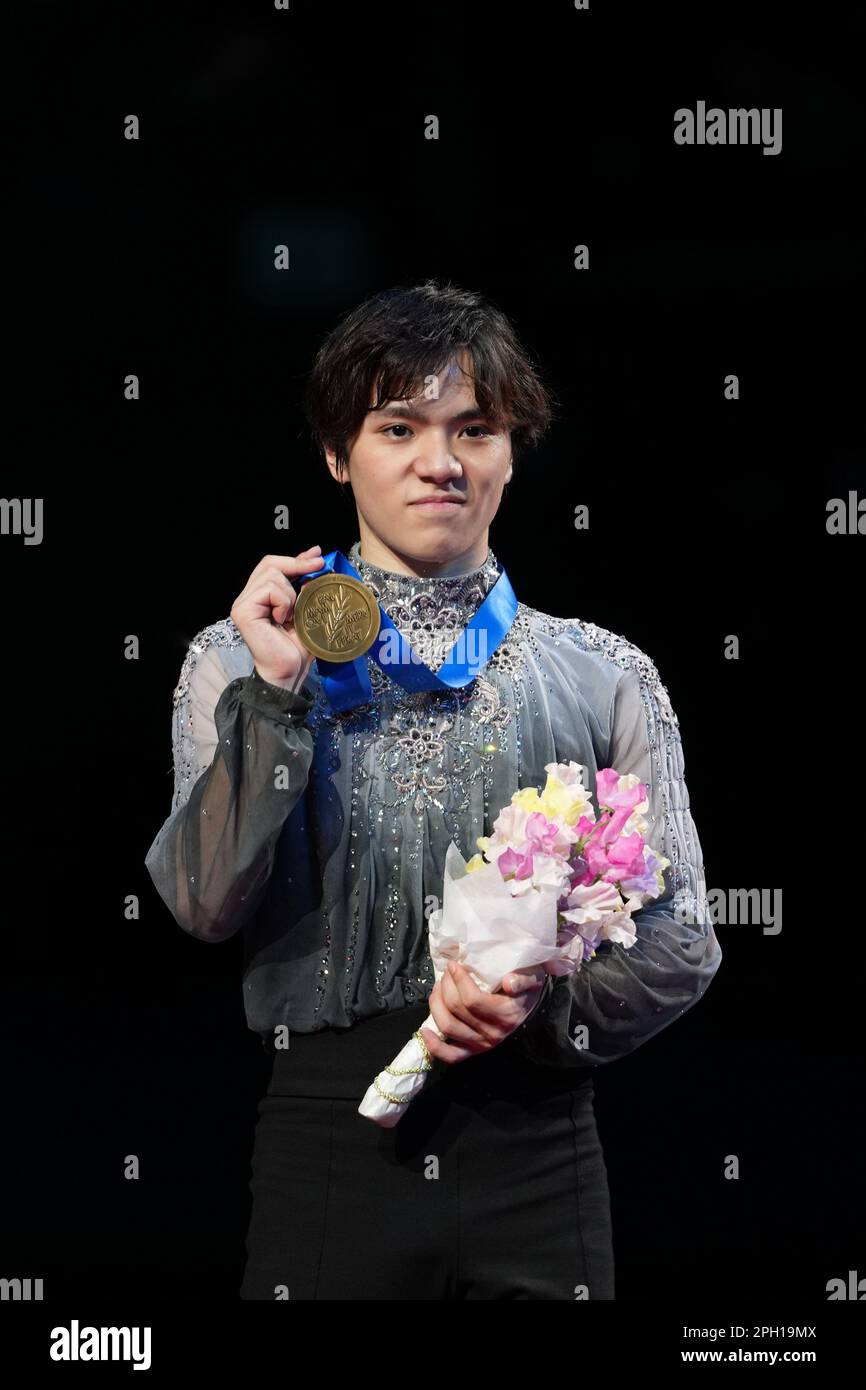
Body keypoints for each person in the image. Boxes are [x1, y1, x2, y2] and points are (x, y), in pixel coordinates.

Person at [144, 279, 722, 1300]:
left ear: (511, 450)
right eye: (397, 426)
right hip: (328, 1148)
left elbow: (681, 939)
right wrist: (277, 702)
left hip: (539, 1152)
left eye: (475, 428)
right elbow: (202, 903)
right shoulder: (236, 662)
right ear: (336, 454)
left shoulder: (604, 672)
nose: (439, 462)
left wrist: (534, 1008)